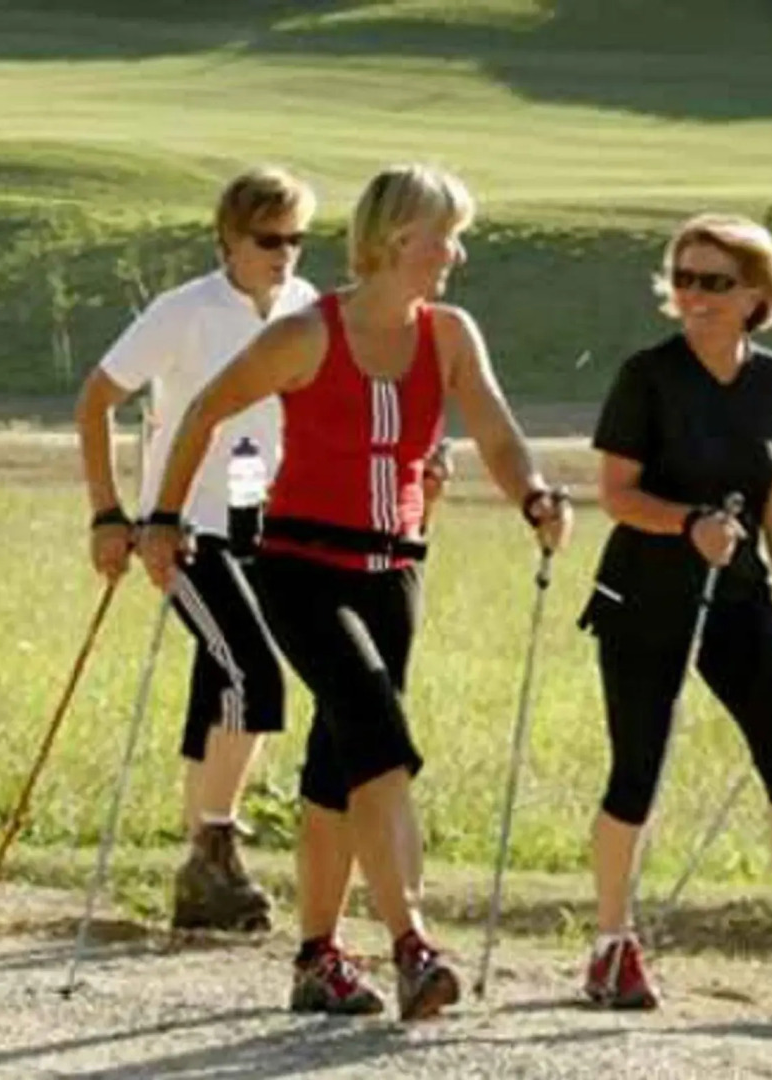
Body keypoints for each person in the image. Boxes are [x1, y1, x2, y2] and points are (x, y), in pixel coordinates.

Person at [138, 164, 572, 1020]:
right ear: (398, 239)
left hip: (393, 571)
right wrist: (158, 519)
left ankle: (315, 959)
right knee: (379, 737)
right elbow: (201, 413)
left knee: (341, 765)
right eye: (446, 235)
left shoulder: (448, 335)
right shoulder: (308, 334)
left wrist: (534, 493)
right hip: (302, 570)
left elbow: (492, 427)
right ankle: (412, 944)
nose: (457, 252)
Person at [578, 213, 772, 1010]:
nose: (692, 296)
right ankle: (611, 948)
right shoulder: (646, 376)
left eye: (713, 282)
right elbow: (615, 494)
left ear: (757, 293)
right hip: (642, 597)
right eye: (681, 279)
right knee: (636, 769)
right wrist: (686, 524)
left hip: (739, 597)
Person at [75, 166, 320, 933]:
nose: (284, 254)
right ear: (228, 240)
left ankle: (199, 874)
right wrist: (108, 514)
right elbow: (95, 400)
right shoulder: (184, 310)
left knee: (220, 682)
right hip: (180, 528)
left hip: (264, 527)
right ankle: (214, 847)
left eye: (297, 239)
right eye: (267, 239)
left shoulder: (306, 307)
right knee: (254, 675)